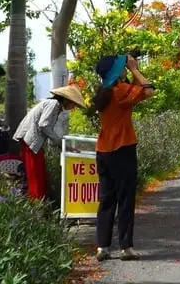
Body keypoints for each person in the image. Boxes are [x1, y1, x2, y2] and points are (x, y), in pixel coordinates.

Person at [93, 53, 156, 262]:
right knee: (126, 199)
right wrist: (135, 69)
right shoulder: (120, 91)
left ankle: (102, 247)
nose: (125, 68)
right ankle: (125, 247)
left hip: (103, 150)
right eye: (121, 67)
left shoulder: (103, 91)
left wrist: (128, 72)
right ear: (115, 72)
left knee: (106, 199)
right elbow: (150, 91)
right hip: (122, 148)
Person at [12, 84, 85, 200]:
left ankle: (38, 203)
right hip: (31, 141)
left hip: (31, 141)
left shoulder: (52, 104)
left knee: (39, 175)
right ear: (67, 100)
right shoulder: (54, 104)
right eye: (73, 104)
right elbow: (44, 125)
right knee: (36, 176)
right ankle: (37, 206)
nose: (73, 107)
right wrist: (60, 143)